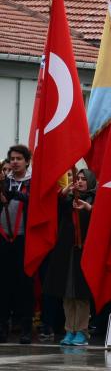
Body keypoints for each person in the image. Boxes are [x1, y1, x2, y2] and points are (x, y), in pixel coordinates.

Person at [43, 169, 95, 346]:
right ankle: (69, 330)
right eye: (77, 178)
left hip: (85, 252)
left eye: (83, 179)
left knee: (81, 294)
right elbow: (52, 206)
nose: (79, 181)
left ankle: (81, 331)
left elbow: (102, 219)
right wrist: (65, 192)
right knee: (67, 293)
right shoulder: (67, 200)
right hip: (66, 252)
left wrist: (88, 208)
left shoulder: (93, 199)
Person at [0, 145, 33, 344]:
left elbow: (37, 203)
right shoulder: (3, 181)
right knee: (4, 284)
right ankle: (3, 326)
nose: (14, 161)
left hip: (24, 239)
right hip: (3, 238)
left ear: (27, 161)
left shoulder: (32, 181)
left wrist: (16, 195)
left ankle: (26, 328)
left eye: (19, 158)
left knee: (25, 285)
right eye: (12, 158)